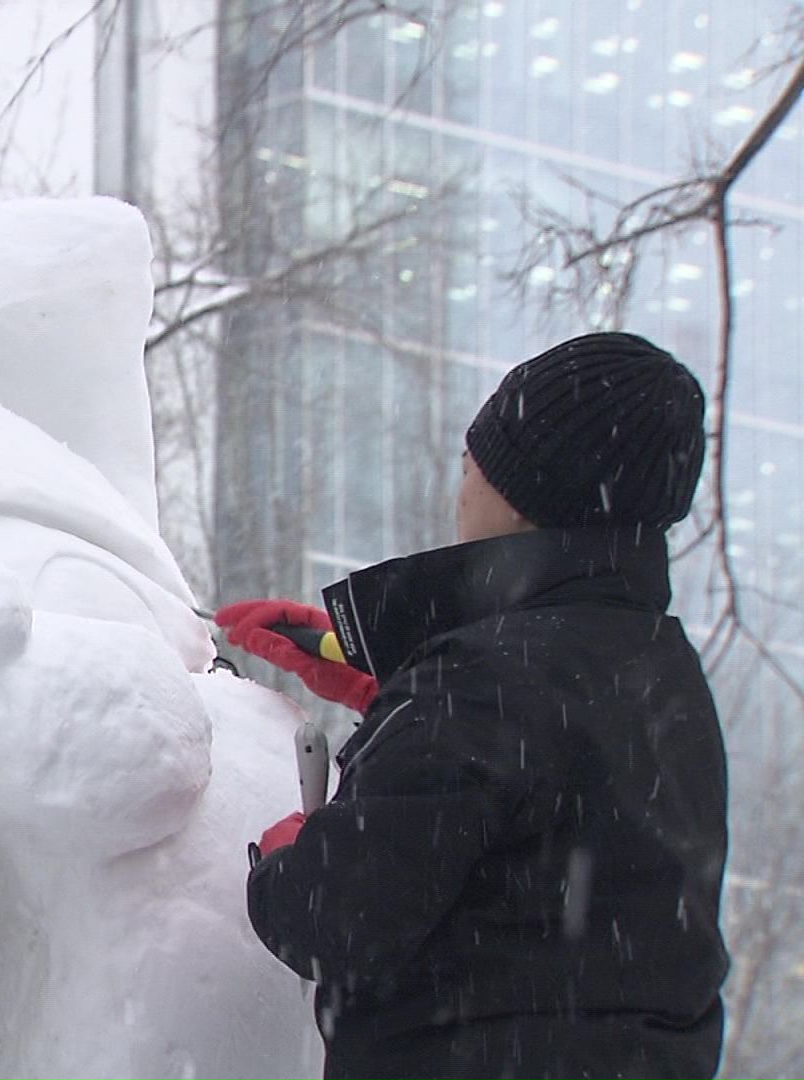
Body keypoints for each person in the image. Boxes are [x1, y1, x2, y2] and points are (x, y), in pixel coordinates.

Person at [217, 331, 730, 1080]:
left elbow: (332, 916)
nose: (459, 493)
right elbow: (555, 795)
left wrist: (288, 856)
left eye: (469, 470)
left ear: (522, 502)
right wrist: (398, 700)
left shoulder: (482, 685)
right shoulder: (666, 675)